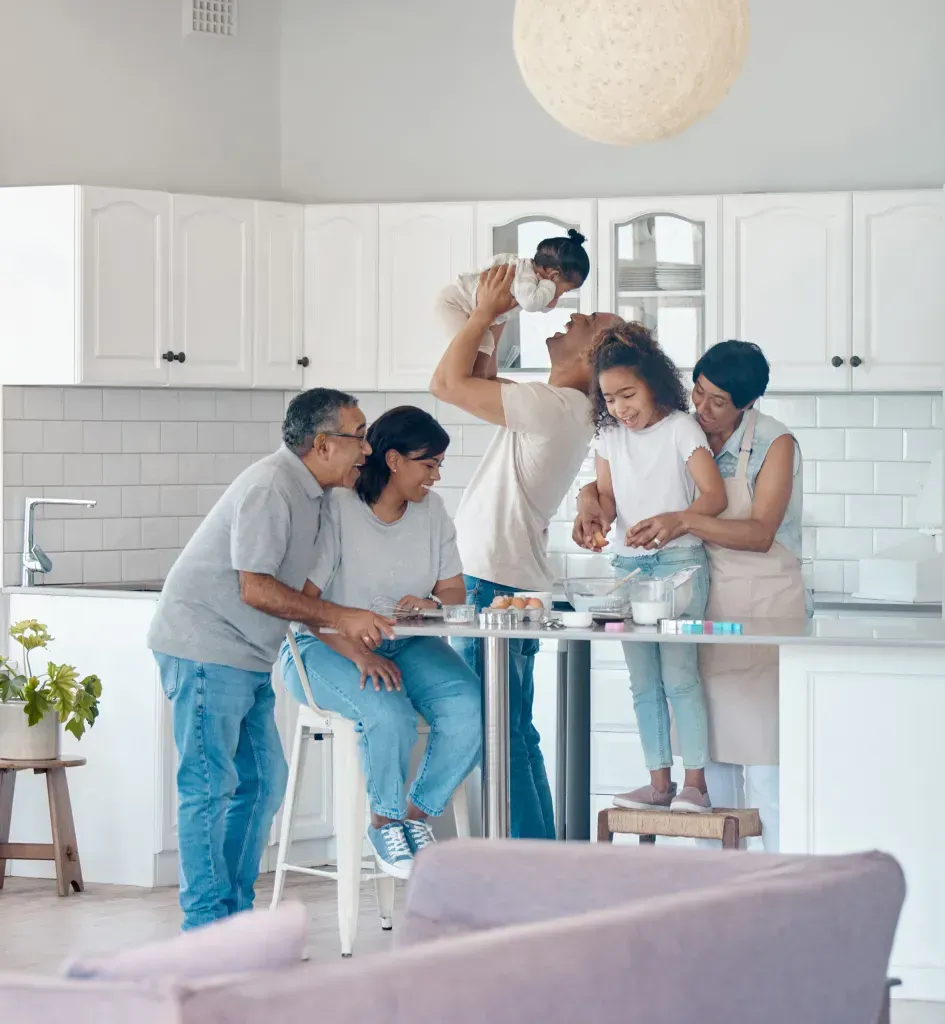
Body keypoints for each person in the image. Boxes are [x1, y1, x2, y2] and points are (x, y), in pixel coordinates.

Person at [147, 389, 394, 930]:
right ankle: (206, 927)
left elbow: (297, 594)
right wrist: (341, 614)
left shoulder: (319, 496)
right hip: (206, 646)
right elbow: (256, 588)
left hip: (247, 653)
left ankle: (234, 920)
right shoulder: (271, 487)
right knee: (208, 788)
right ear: (323, 444)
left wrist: (350, 640)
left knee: (262, 784)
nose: (367, 450)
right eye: (359, 437)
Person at [575, 340, 807, 850]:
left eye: (717, 402)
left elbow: (760, 532)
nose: (701, 409)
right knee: (714, 763)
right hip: (698, 597)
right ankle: (718, 894)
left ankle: (779, 890)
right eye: (698, 393)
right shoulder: (678, 430)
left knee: (765, 767)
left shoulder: (775, 442)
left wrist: (682, 521)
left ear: (747, 403)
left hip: (762, 607)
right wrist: (587, 497)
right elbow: (620, 483)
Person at [431, 262, 622, 839]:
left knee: (498, 733)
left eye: (585, 320)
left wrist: (486, 313)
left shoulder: (553, 407)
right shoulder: (562, 407)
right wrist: (489, 323)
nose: (570, 315)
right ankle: (545, 859)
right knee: (514, 731)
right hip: (508, 578)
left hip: (490, 579)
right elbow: (479, 376)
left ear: (591, 359)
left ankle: (529, 866)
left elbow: (446, 385)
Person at [280, 406, 482, 879]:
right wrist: (358, 652)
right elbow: (307, 605)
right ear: (393, 460)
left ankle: (413, 821)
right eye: (428, 465)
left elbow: (454, 591)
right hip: (321, 646)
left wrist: (428, 605)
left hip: (405, 643)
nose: (435, 476)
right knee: (386, 711)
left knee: (472, 705)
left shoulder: (432, 512)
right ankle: (383, 822)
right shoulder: (339, 508)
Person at [582, 323, 727, 813]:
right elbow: (604, 494)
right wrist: (594, 516)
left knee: (681, 677)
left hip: (681, 566)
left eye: (628, 394)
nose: (620, 408)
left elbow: (715, 497)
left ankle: (696, 785)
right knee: (642, 682)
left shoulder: (681, 428)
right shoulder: (608, 434)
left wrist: (675, 522)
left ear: (654, 385)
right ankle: (659, 784)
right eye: (610, 398)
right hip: (628, 567)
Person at [435, 229, 591, 379]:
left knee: (484, 359)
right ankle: (459, 381)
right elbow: (531, 303)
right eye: (565, 290)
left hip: (476, 313)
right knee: (464, 357)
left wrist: (551, 295)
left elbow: (543, 305)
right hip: (455, 303)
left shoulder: (532, 280)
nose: (560, 294)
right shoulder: (525, 274)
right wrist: (549, 287)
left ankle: (478, 381)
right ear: (553, 275)